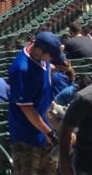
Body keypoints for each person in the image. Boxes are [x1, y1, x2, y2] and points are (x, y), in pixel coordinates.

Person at [8, 31, 65, 175]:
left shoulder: (43, 57)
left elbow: (46, 67)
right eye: (50, 56)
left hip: (46, 130)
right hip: (26, 137)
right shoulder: (21, 69)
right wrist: (49, 133)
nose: (52, 59)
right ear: (39, 50)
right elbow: (27, 109)